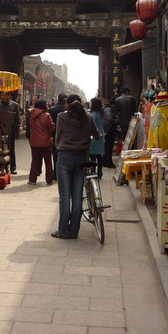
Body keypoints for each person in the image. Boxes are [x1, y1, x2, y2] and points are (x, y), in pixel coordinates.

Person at [52, 93, 100, 239]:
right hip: (81, 158)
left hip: (65, 157)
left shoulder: (61, 117)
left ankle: (63, 230)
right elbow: (96, 135)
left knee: (64, 196)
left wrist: (61, 147)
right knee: (77, 196)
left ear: (68, 104)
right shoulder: (88, 118)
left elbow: (57, 138)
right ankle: (74, 231)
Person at [27, 99, 55, 185]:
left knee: (35, 160)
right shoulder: (47, 115)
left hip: (34, 141)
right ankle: (49, 179)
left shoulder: (31, 114)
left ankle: (32, 179)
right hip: (46, 141)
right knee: (48, 161)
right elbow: (52, 127)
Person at [0, 91, 20, 174]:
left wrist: (15, 130)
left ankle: (12, 167)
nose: (3, 97)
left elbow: (17, 119)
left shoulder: (14, 105)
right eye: (2, 95)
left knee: (10, 149)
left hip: (10, 130)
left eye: (5, 95)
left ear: (9, 96)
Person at [48, 93, 67, 178]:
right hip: (67, 136)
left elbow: (49, 124)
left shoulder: (51, 109)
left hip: (54, 135)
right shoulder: (68, 110)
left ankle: (56, 174)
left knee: (55, 155)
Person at [89, 98, 105, 178]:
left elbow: (91, 125)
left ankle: (93, 172)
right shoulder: (100, 113)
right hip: (101, 134)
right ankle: (100, 171)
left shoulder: (94, 114)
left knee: (93, 155)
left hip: (94, 135)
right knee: (99, 154)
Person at [103, 97, 117, 168]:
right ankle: (109, 162)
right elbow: (109, 119)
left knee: (106, 147)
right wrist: (117, 121)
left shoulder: (106, 108)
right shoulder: (108, 109)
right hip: (109, 130)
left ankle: (105, 162)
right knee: (109, 147)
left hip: (106, 130)